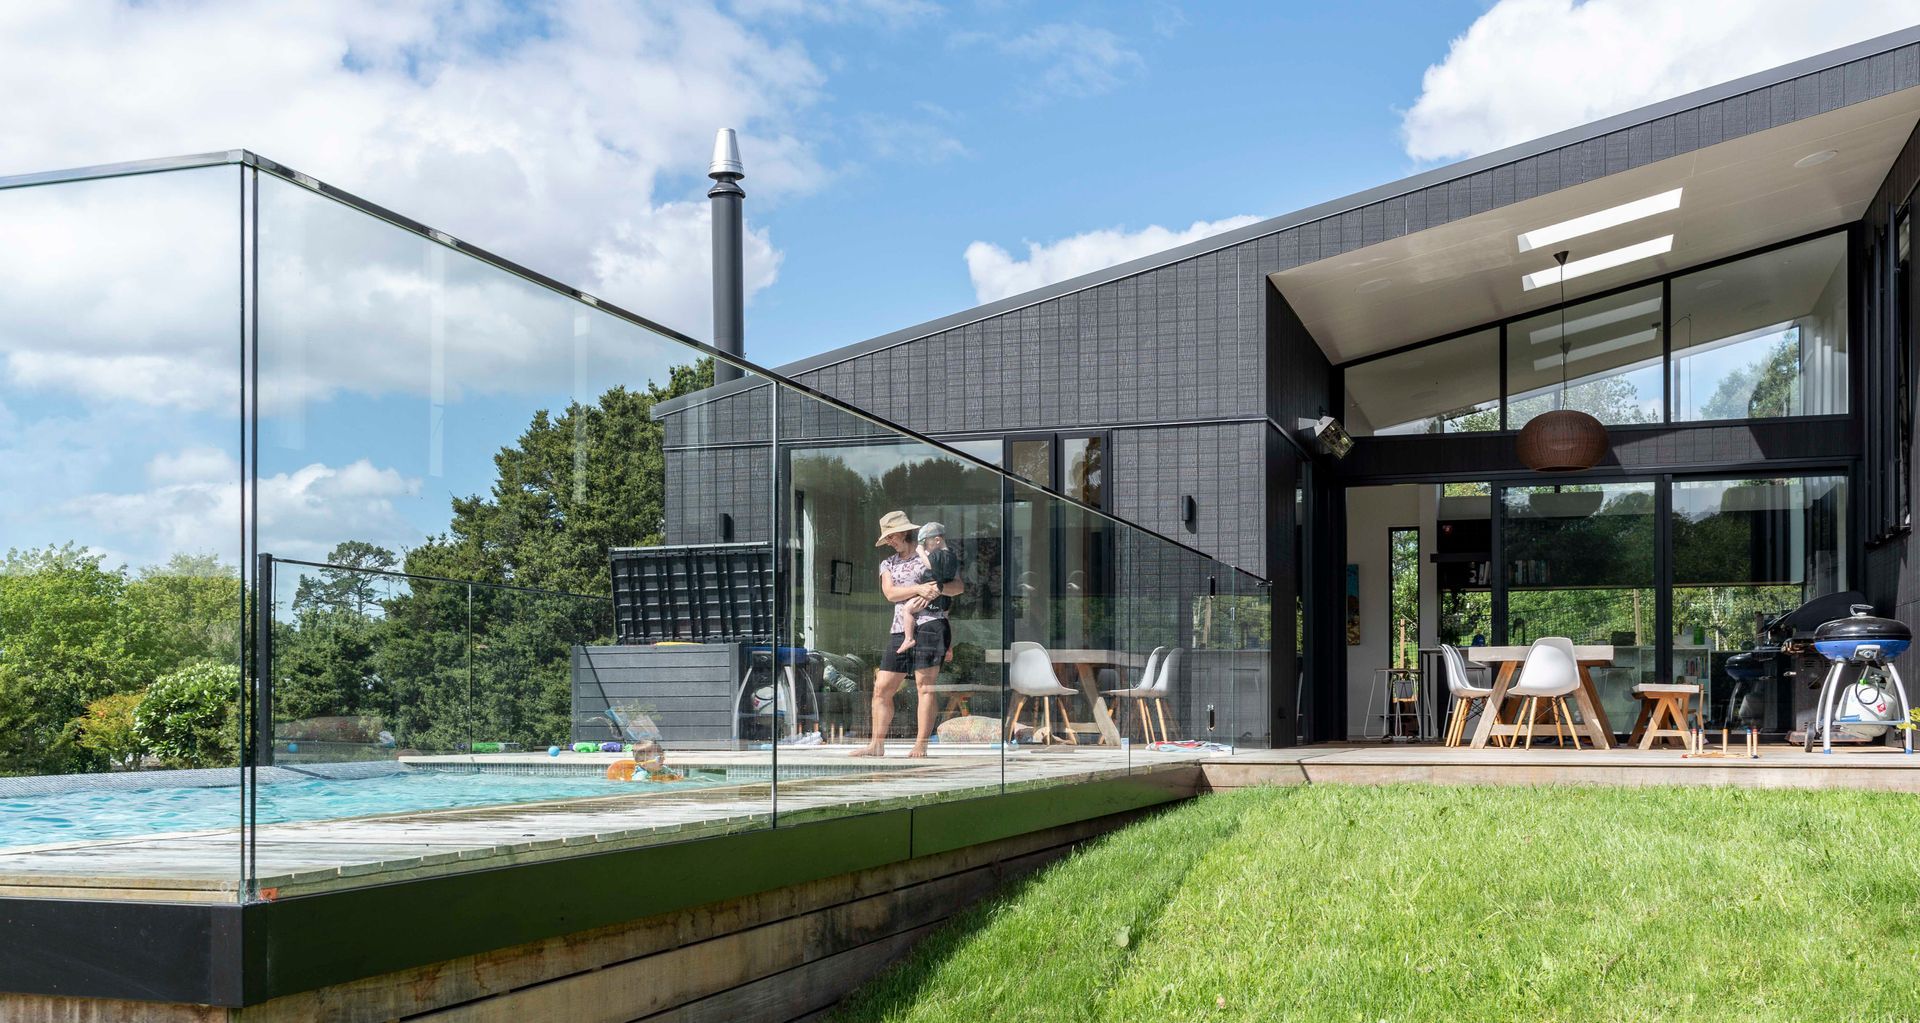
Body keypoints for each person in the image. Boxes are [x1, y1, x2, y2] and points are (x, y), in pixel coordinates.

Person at [853, 510, 963, 758]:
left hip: (932, 626)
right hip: (899, 629)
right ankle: (876, 744)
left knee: (925, 687)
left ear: (903, 532)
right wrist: (919, 588)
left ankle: (920, 745)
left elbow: (957, 588)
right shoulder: (888, 564)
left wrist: (939, 588)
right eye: (887, 538)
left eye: (890, 536)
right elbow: (891, 594)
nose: (889, 542)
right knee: (882, 688)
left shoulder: (933, 556)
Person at [891, 521, 958, 659]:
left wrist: (921, 552)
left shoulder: (937, 555)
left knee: (907, 609)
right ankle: (948, 646)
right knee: (944, 616)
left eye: (927, 543)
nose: (926, 546)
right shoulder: (951, 555)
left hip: (929, 593)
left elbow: (930, 565)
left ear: (937, 540)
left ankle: (908, 638)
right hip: (942, 596)